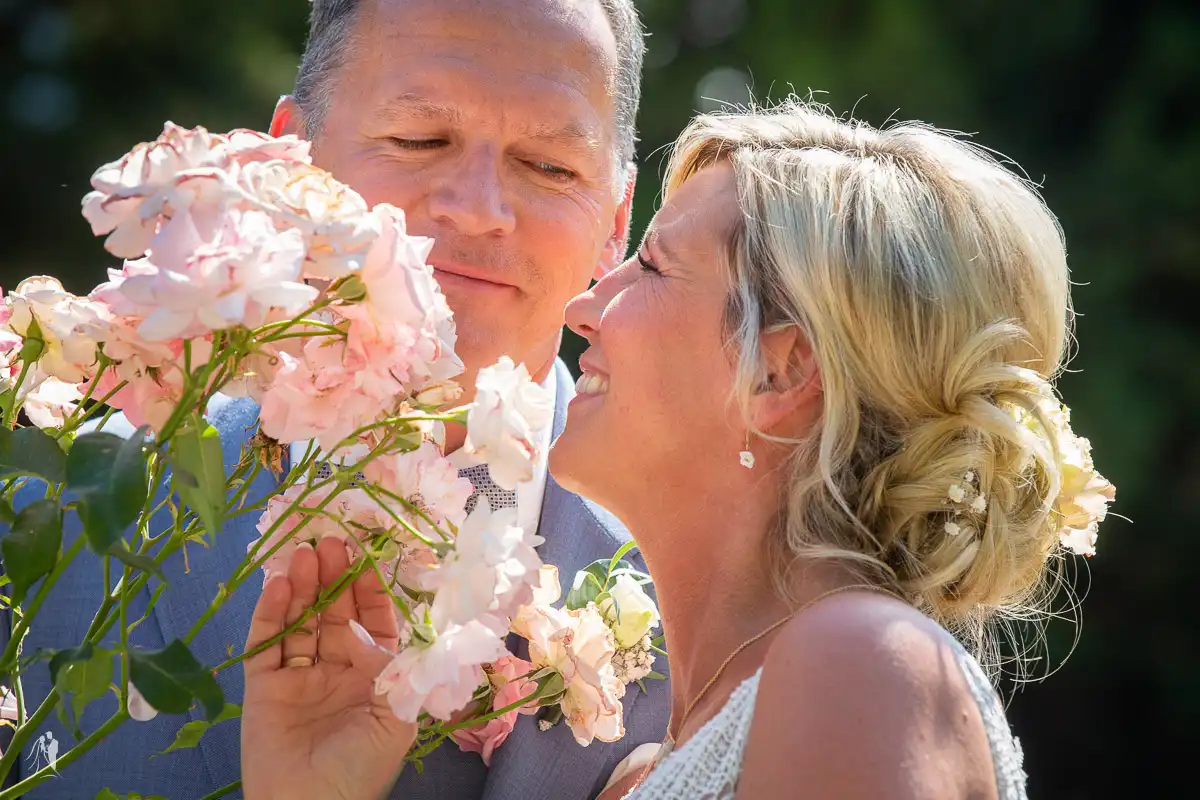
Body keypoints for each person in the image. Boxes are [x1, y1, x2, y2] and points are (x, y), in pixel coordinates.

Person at [241, 99, 1114, 799]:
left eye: (650, 268)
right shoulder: (641, 772)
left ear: (781, 369)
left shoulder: (861, 666)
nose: (585, 307)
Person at [9, 1, 670, 798]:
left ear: (617, 220)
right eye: (420, 140)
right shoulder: (53, 522)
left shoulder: (722, 589)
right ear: (293, 161)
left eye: (551, 167)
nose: (480, 209)